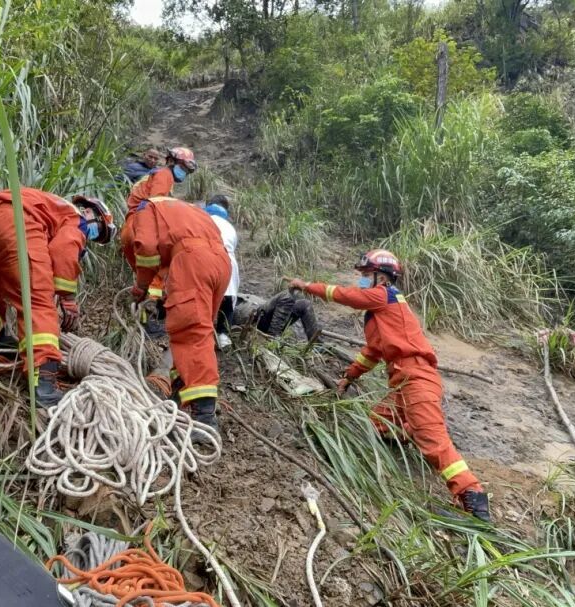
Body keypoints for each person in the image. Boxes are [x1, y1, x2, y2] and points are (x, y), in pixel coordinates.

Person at [287, 250, 491, 522]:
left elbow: (347, 297)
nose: (360, 281)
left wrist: (306, 286)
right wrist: (349, 377)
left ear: (380, 277)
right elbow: (372, 351)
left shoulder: (384, 295)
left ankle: (474, 502)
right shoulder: (381, 313)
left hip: (416, 379)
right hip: (403, 383)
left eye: (364, 276)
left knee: (435, 442)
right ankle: (408, 432)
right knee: (377, 424)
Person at [0, 188, 116, 406]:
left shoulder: (50, 206)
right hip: (15, 226)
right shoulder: (75, 218)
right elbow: (63, 250)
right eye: (98, 231)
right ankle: (43, 385)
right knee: (38, 304)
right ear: (89, 213)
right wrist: (67, 298)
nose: (93, 237)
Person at [123, 197, 231, 435]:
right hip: (220, 263)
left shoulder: (143, 212)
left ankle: (204, 420)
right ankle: (182, 393)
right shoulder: (185, 211)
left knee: (190, 335)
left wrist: (141, 285)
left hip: (192, 262)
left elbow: (146, 248)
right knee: (200, 333)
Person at [121, 147, 197, 330]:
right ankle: (152, 318)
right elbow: (158, 204)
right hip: (143, 226)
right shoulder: (164, 175)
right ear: (171, 161)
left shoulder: (157, 175)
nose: (183, 173)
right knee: (164, 266)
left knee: (144, 278)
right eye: (183, 168)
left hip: (132, 228)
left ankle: (142, 321)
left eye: (187, 171)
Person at [203, 195, 239, 349]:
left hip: (203, 258)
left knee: (204, 295)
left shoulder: (202, 219)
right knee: (227, 297)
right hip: (227, 262)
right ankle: (223, 334)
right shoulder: (230, 227)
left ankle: (204, 333)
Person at [232, 291, 321, 340]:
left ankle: (316, 343)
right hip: (256, 318)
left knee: (305, 304)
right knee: (286, 296)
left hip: (269, 314)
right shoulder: (229, 299)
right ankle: (273, 337)